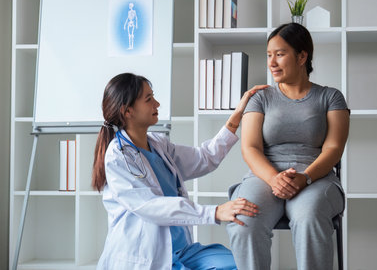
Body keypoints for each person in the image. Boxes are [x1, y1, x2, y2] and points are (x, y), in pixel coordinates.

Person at [92, 73, 267, 270]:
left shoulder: (158, 144)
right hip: (146, 256)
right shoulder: (118, 157)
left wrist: (236, 116)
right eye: (149, 99)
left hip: (183, 251)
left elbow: (204, 158)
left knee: (243, 265)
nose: (157, 104)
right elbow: (151, 207)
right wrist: (215, 212)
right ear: (127, 111)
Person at [226, 23, 350, 270]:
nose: (272, 62)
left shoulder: (331, 97)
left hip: (316, 177)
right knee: (243, 220)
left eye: (280, 54)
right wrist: (274, 179)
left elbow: (333, 149)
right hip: (264, 177)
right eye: (269, 55)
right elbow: (250, 147)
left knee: (309, 218)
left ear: (302, 56)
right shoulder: (260, 98)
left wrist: (305, 178)